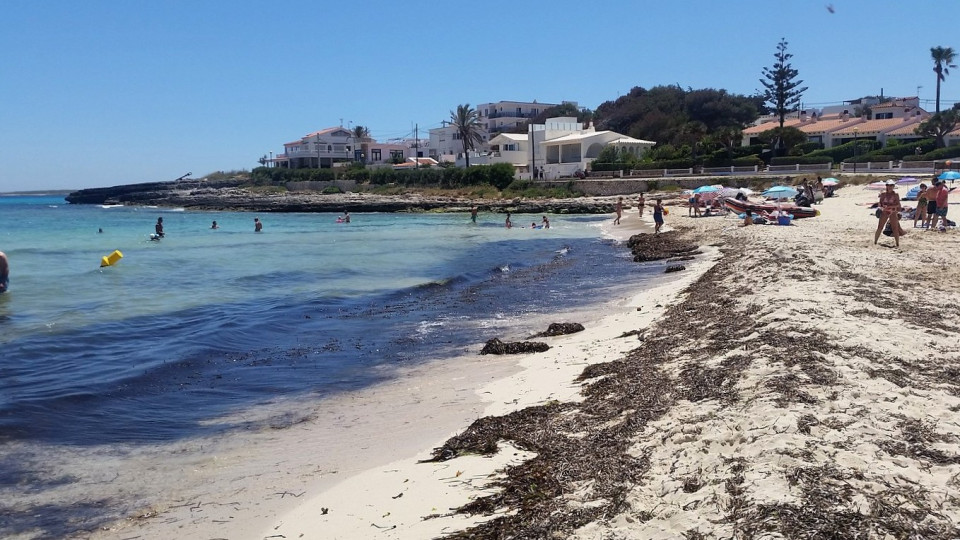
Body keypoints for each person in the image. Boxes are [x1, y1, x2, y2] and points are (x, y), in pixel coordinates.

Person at [875, 180, 903, 247]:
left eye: (891, 185)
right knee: (880, 227)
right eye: (888, 185)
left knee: (895, 228)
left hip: (893, 212)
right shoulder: (883, 194)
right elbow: (880, 203)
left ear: (893, 186)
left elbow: (898, 205)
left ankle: (897, 244)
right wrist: (881, 208)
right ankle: (875, 242)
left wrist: (891, 206)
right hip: (885, 212)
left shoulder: (896, 195)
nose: (889, 187)